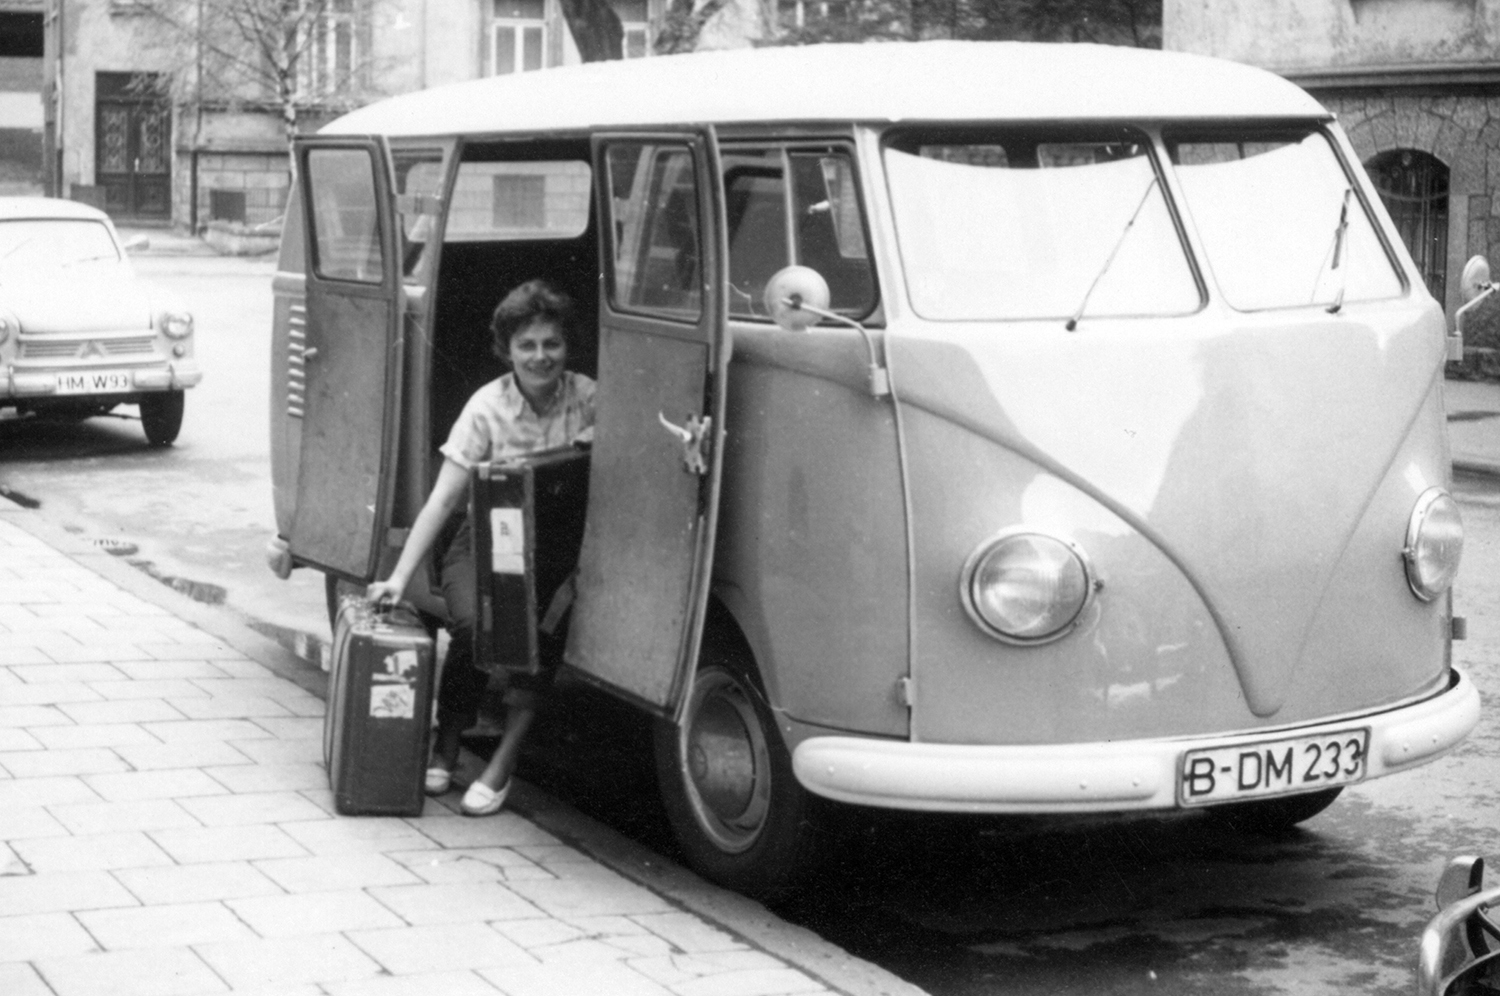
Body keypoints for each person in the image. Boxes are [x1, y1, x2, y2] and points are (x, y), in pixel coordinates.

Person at [366, 278, 595, 816]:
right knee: (473, 625)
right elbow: (443, 501)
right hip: (485, 538)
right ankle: (449, 740)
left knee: (545, 631)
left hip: (557, 543)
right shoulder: (485, 407)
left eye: (552, 344)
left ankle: (501, 765)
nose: (541, 357)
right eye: (527, 346)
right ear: (507, 349)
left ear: (567, 346)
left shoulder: (589, 396)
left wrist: (603, 438)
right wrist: (400, 577)